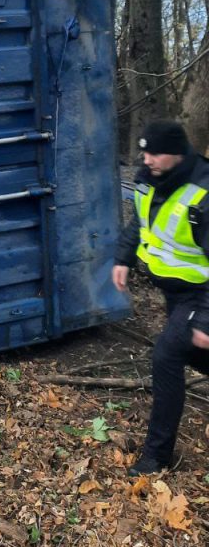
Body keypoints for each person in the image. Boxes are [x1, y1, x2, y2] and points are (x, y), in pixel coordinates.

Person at [112, 119, 209, 476]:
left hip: (199, 296)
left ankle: (156, 457)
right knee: (197, 356)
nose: (146, 158)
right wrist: (123, 258)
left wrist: (205, 319)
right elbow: (139, 224)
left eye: (154, 152)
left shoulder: (202, 194)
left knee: (166, 357)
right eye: (144, 150)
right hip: (174, 293)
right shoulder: (147, 181)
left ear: (177, 154)